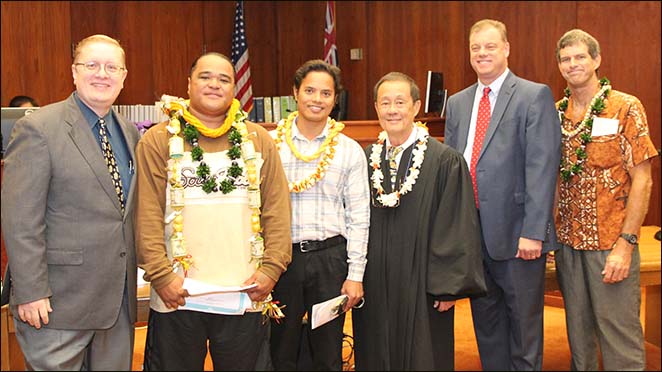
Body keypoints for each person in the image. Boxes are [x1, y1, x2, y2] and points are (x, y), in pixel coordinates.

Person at [135, 52, 292, 370]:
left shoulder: (257, 139)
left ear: (235, 88)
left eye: (224, 79)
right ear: (188, 84)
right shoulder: (158, 139)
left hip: (244, 293)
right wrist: (163, 277)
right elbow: (146, 215)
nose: (214, 84)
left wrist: (271, 269)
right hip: (176, 295)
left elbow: (276, 211)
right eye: (205, 77)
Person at [1, 34, 139, 370]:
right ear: (74, 72)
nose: (102, 74)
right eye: (92, 65)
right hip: (57, 305)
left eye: (111, 67)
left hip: (116, 306)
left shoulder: (130, 132)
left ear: (123, 76)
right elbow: (21, 219)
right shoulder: (38, 128)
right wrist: (32, 291)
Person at [444, 19, 561, 370]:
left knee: (524, 332)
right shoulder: (459, 102)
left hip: (517, 236)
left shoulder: (533, 95)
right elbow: (453, 168)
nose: (482, 53)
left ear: (507, 48)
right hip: (473, 237)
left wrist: (533, 231)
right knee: (488, 327)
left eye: (490, 46)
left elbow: (542, 168)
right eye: (475, 48)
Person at [352, 72, 486, 371]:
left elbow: (456, 226)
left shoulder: (444, 161)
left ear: (416, 106)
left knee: (424, 355)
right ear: (376, 108)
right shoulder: (365, 158)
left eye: (400, 102)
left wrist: (447, 287)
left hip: (423, 284)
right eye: (385, 102)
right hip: (375, 281)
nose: (392, 109)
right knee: (375, 351)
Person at [554, 29, 658, 371]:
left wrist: (626, 244)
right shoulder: (556, 114)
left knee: (619, 339)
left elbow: (643, 179)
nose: (573, 64)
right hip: (569, 245)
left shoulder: (625, 107)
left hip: (611, 243)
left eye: (580, 56)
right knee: (579, 338)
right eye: (566, 59)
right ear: (559, 66)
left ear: (597, 60)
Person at [268, 59, 370, 370]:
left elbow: (358, 216)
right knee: (280, 348)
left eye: (326, 93)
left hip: (330, 260)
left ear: (335, 99)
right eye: (309, 90)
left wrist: (355, 275)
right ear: (295, 93)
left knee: (327, 352)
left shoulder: (349, 150)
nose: (317, 99)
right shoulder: (271, 145)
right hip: (282, 260)